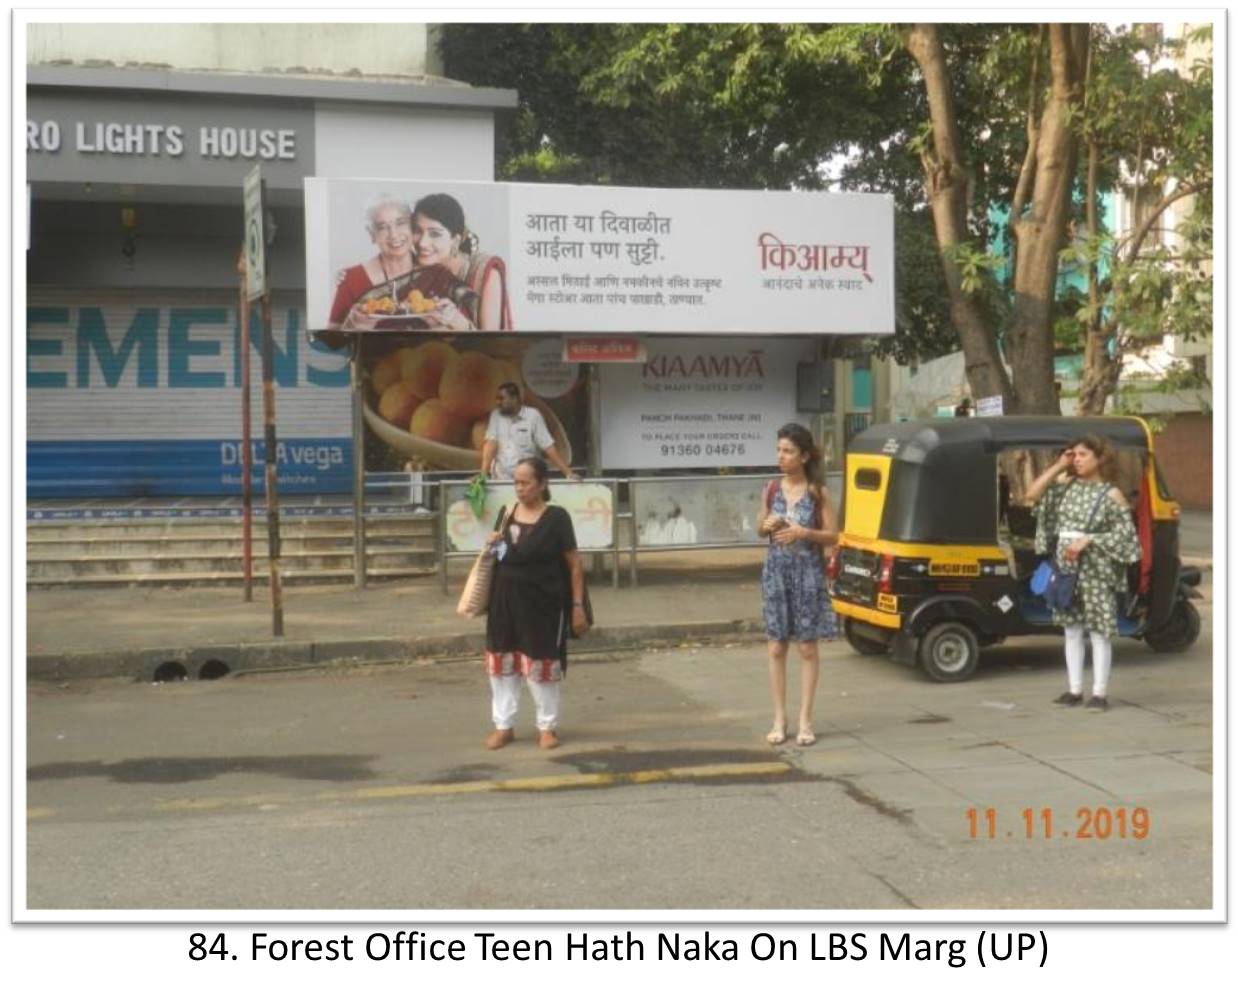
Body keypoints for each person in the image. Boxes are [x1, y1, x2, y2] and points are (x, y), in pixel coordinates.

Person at [1025, 436, 1142, 712]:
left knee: (1099, 632)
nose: (1076, 459)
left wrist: (1089, 539)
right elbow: (1032, 495)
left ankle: (1099, 694)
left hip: (1096, 570)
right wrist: (1058, 466)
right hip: (1067, 568)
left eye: (1082, 454)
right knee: (1072, 631)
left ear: (1099, 458)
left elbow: (1127, 537)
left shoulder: (1111, 494)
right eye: (1073, 454)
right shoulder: (1066, 485)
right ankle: (1074, 690)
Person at [483, 457, 588, 750]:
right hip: (504, 601)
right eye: (515, 482)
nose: (519, 488)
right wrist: (493, 545)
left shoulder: (557, 518)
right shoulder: (506, 514)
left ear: (542, 484)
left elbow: (574, 564)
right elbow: (504, 556)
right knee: (502, 664)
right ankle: (503, 726)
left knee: (541, 664)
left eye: (525, 482)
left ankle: (547, 727)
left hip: (543, 604)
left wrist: (577, 606)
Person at [757, 423, 839, 747]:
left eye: (788, 451)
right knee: (776, 646)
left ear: (804, 456)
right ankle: (780, 718)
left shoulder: (818, 492)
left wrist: (804, 532)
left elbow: (833, 535)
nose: (781, 456)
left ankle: (806, 718)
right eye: (779, 450)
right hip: (775, 574)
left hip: (807, 574)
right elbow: (760, 527)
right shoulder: (771, 489)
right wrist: (766, 525)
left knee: (807, 647)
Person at [409, 192, 512, 331]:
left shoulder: (483, 274)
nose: (422, 243)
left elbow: (491, 340)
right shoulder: (412, 270)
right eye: (417, 231)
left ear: (455, 240)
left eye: (435, 234)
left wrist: (458, 322)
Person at [329, 194, 415, 328]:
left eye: (400, 223)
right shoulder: (351, 279)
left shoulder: (435, 271)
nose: (394, 234)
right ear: (371, 233)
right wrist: (351, 324)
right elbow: (330, 337)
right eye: (382, 227)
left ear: (413, 226)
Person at [481, 382, 578, 482]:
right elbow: (491, 444)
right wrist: (483, 475)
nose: (498, 402)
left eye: (501, 398)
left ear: (515, 399)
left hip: (527, 480)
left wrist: (568, 473)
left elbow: (548, 446)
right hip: (501, 480)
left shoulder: (533, 416)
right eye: (497, 399)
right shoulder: (496, 415)